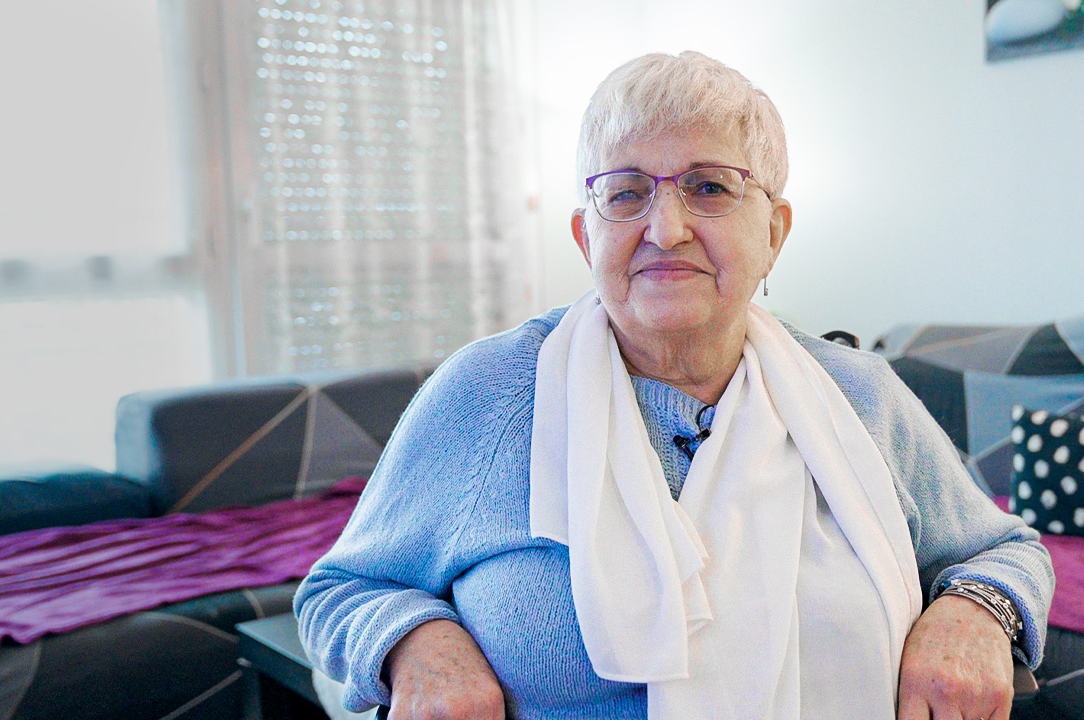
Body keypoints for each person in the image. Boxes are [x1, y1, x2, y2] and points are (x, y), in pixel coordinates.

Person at [294, 51, 1054, 720]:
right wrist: (416, 642)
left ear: (775, 231)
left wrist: (975, 611)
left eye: (710, 188)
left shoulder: (860, 393)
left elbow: (1007, 550)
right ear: (586, 235)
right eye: (625, 193)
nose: (665, 228)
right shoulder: (490, 393)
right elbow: (343, 589)